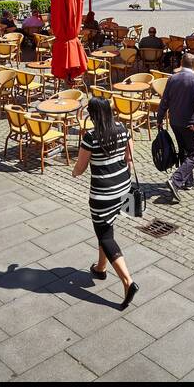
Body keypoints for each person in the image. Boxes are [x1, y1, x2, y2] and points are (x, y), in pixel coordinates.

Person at [72, 96, 139, 309]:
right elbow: (130, 157)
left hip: (103, 193)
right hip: (123, 188)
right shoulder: (122, 128)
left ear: (92, 116)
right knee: (107, 226)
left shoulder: (91, 136)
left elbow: (81, 168)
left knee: (105, 235)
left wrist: (74, 171)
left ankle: (128, 282)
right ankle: (101, 268)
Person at [159, 52, 194, 200]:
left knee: (184, 151)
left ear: (181, 63)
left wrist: (159, 118)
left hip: (174, 122)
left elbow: (164, 100)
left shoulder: (172, 78)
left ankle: (188, 181)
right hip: (189, 123)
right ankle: (176, 180)